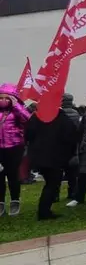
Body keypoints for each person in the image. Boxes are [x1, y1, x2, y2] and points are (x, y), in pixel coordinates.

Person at [26, 99, 79, 220]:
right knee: (52, 184)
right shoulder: (61, 117)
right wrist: (69, 153)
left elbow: (28, 134)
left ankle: (44, 210)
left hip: (39, 156)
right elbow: (71, 136)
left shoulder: (36, 117)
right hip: (54, 157)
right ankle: (44, 212)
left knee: (50, 183)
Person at [0, 83, 30, 217]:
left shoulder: (18, 110)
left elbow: (27, 119)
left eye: (7, 98)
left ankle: (15, 201)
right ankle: (0, 203)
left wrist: (16, 105)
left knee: (13, 176)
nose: (3, 100)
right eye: (1, 98)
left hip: (14, 148)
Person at [59, 93, 81, 203]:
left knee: (58, 172)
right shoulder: (76, 113)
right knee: (72, 172)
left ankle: (55, 195)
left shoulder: (59, 113)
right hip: (73, 145)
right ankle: (72, 192)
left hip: (61, 146)